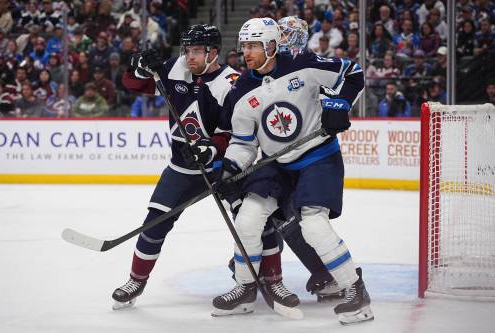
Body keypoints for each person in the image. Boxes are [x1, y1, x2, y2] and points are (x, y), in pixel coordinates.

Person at [212, 18, 374, 325]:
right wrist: (229, 168)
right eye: (244, 46)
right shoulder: (241, 91)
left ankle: (355, 290)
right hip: (277, 164)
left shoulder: (303, 63)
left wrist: (340, 104)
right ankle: (246, 288)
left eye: (254, 46)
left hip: (317, 156)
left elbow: (352, 73)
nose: (246, 52)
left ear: (271, 46)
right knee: (247, 219)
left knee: (313, 225)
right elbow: (244, 144)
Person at [110, 24, 240, 310]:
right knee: (154, 224)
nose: (189, 56)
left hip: (223, 168)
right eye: (187, 50)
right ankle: (136, 280)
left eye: (196, 51)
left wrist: (214, 149)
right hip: (182, 168)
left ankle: (248, 280)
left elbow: (235, 131)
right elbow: (133, 85)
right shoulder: (176, 68)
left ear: (213, 53)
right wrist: (138, 69)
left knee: (252, 223)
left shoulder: (230, 82)